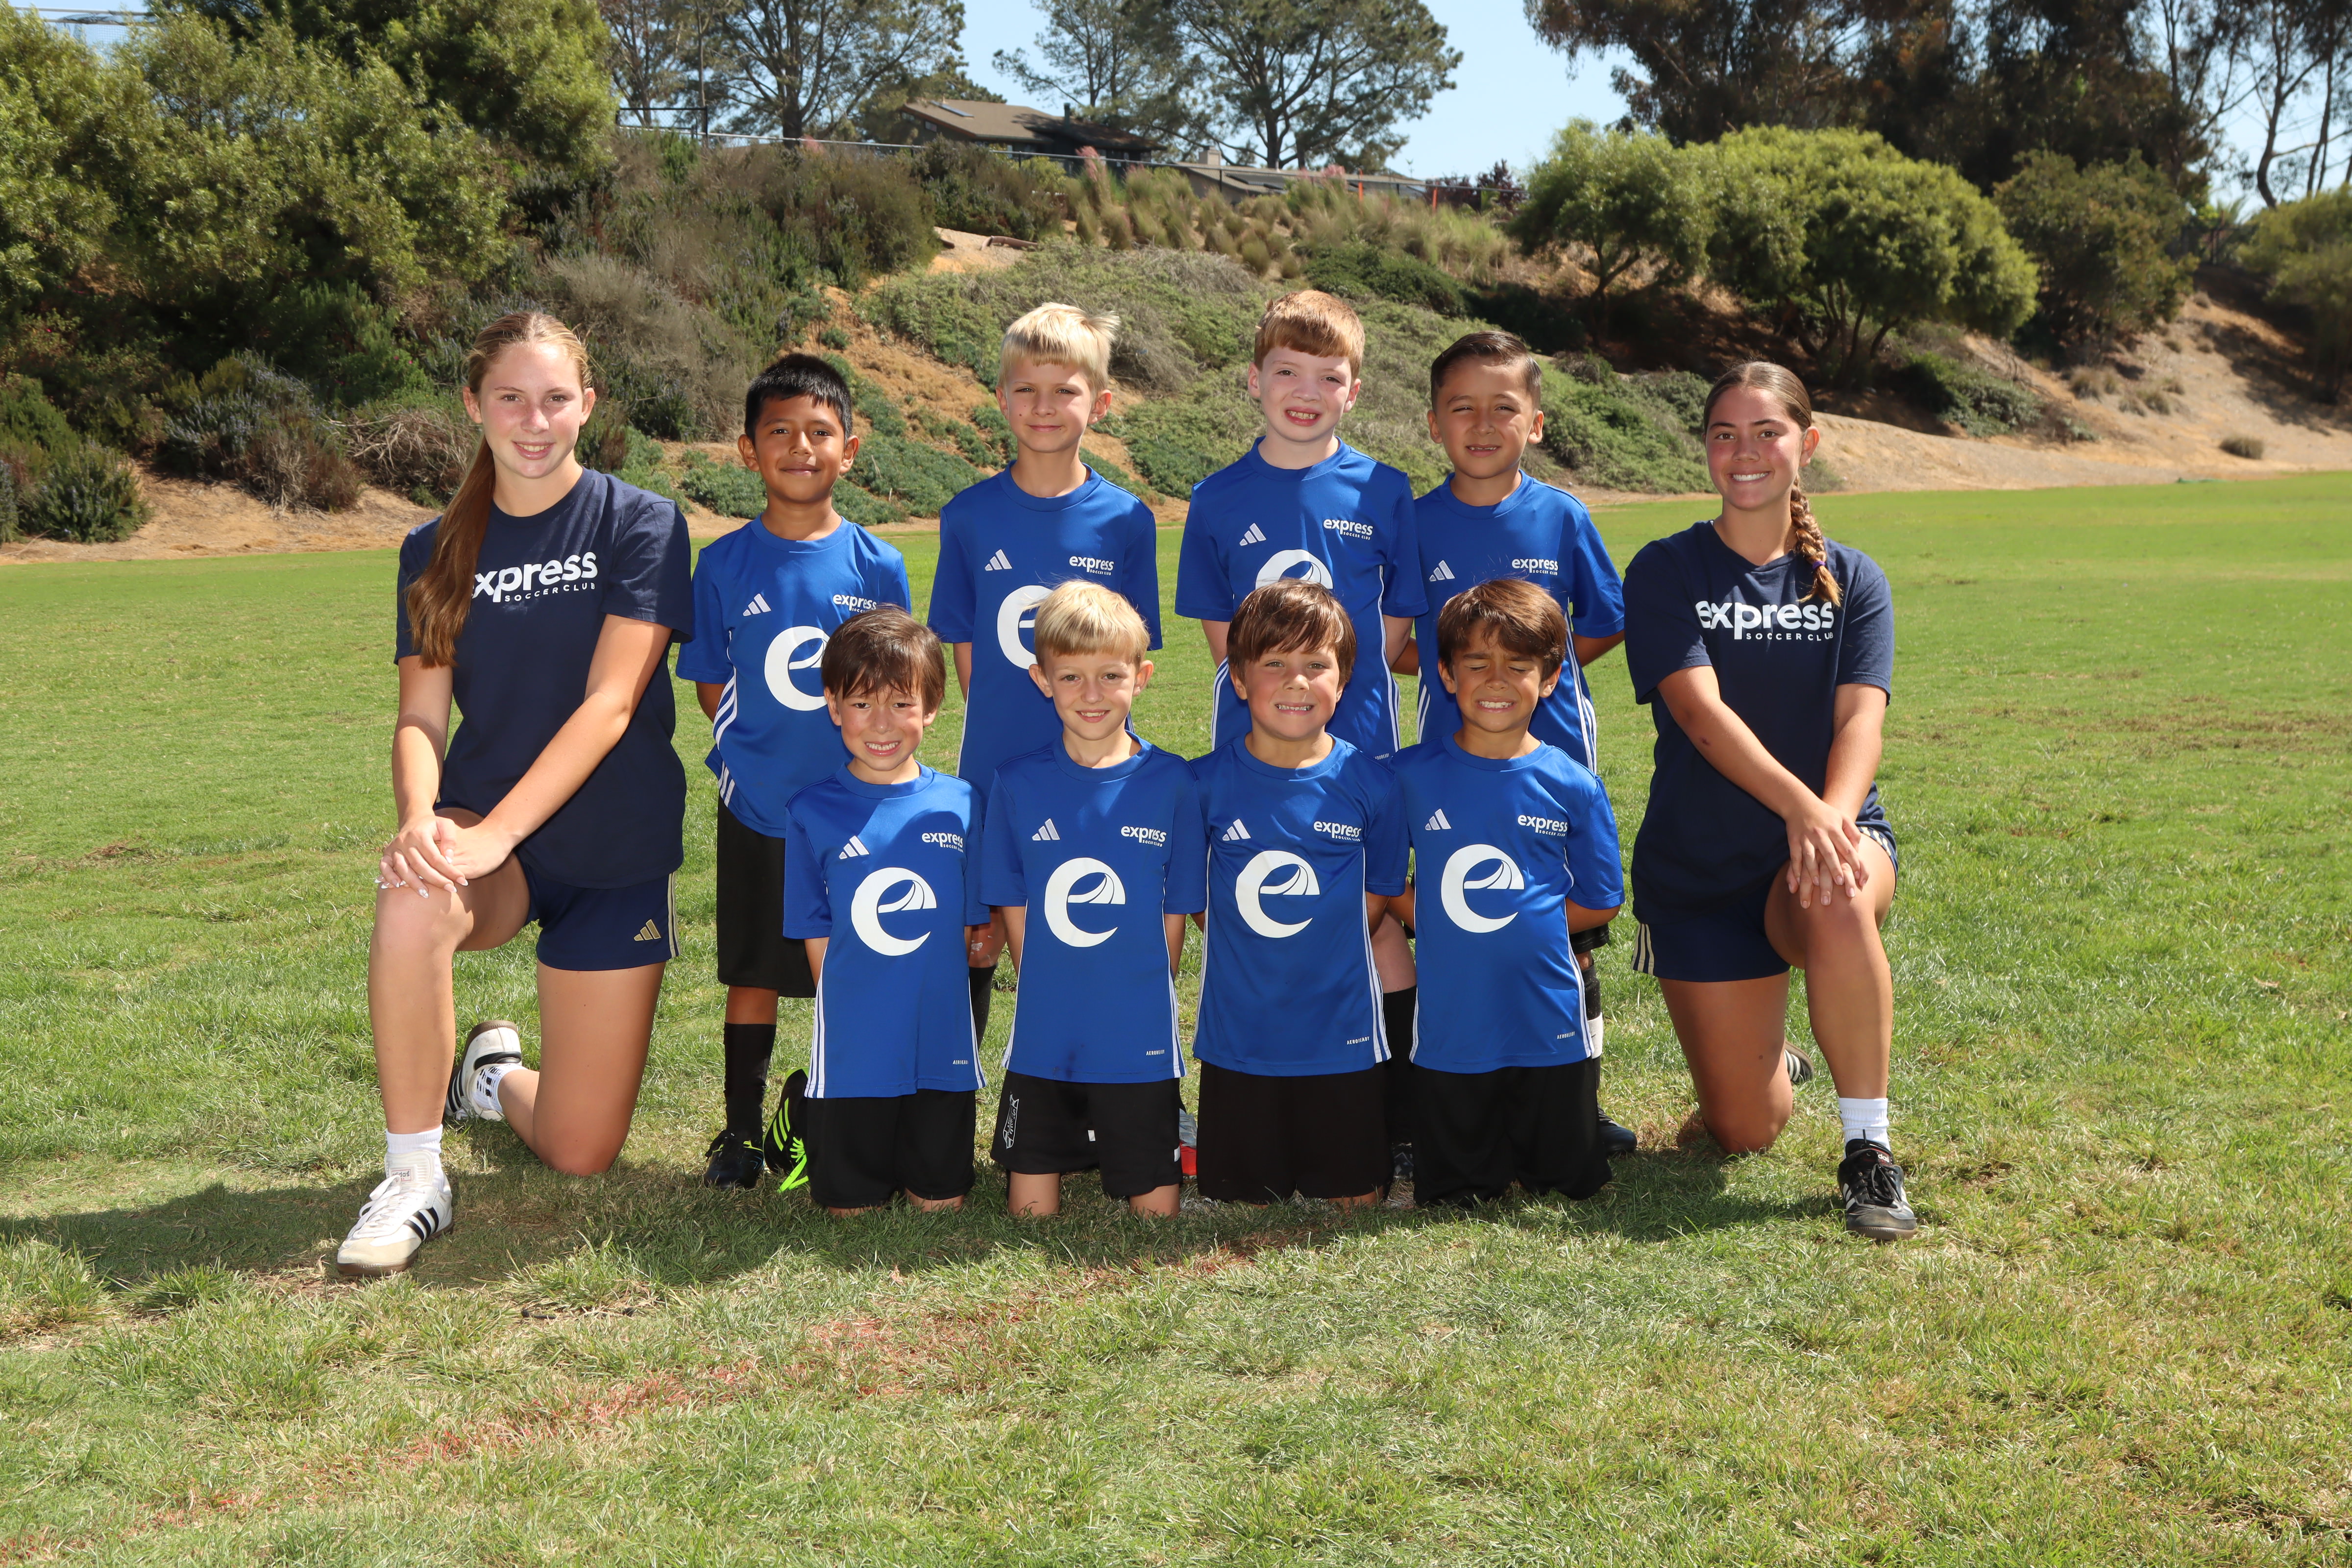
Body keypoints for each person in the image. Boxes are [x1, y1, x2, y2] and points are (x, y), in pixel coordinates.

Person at [338, 311, 693, 1277]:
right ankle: (415, 1176)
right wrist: (424, 821)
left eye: (554, 399)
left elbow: (611, 702)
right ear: (473, 405)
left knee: (581, 1151)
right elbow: (420, 717)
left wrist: (499, 831)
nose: (534, 421)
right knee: (414, 891)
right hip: (489, 839)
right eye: (510, 398)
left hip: (615, 848)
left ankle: (491, 1079)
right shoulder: (431, 548)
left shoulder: (642, 522)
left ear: (588, 405)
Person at [1620, 361, 1914, 1241]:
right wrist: (1800, 808)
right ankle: (1776, 1060)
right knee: (1745, 1130)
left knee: (1836, 887)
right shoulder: (1667, 568)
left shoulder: (1854, 578)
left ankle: (1869, 1151)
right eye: (1725, 434)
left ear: (1806, 445)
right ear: (1706, 448)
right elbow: (1700, 715)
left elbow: (1862, 718)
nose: (1744, 452)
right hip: (1701, 867)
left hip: (1829, 838)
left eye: (1767, 432)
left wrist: (1831, 819)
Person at [1172, 288, 1425, 1164]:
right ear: (1254, 380)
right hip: (1253, 754)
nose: (1306, 392)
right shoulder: (1216, 498)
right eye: (1287, 372)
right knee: (1258, 911)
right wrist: (1276, 707)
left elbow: (1390, 632)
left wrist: (1335, 701)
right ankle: (1254, 1096)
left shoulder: (1385, 490)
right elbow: (1229, 647)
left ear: (1356, 390)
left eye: (1329, 376)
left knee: (1375, 921)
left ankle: (1394, 1115)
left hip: (1358, 746)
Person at [676, 354, 912, 1192]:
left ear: (850, 449)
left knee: (852, 969)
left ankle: (832, 1113)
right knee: (754, 975)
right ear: (749, 450)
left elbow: (897, 684)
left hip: (854, 811)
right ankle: (741, 1135)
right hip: (761, 806)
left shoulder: (878, 565)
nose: (800, 447)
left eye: (819, 432)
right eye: (779, 431)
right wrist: (754, 761)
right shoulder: (723, 565)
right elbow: (711, 683)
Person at [1400, 329, 1636, 1165]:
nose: (1482, 424)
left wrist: (1535, 680)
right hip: (1450, 766)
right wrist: (1457, 678)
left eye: (1503, 408)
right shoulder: (1413, 522)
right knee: (1462, 919)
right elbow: (1398, 643)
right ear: (1434, 423)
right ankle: (1447, 1102)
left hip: (1553, 758)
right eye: (1461, 408)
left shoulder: (1562, 516)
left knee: (1566, 939)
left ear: (1535, 423)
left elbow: (1604, 621)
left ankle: (1578, 1102)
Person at [927, 303, 1161, 1047]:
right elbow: (967, 655)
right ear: (1001, 398)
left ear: (1101, 402)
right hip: (994, 768)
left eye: (1065, 390)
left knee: (1079, 921)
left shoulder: (1126, 520)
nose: (1044, 407)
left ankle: (1093, 1078)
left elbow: (1128, 651)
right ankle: (957, 1095)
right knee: (978, 939)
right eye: (1026, 390)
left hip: (1092, 767)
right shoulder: (969, 517)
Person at [1392, 579, 1623, 1208]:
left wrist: (1530, 922)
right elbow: (1382, 878)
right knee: (1455, 1189)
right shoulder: (1408, 776)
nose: (1496, 680)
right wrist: (1439, 918)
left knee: (1567, 1181)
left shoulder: (1574, 784)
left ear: (1549, 679)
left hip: (1548, 1015)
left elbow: (1602, 898)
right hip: (1451, 1024)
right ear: (1446, 674)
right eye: (1477, 664)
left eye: (1518, 666)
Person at [981, 582, 1205, 1217]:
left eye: (1111, 675)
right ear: (1042, 680)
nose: (1092, 694)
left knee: (1157, 1214)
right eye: (1071, 677)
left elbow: (1176, 906)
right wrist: (1043, 983)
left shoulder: (1172, 781)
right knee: (1030, 1212)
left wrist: (1147, 989)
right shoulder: (1017, 783)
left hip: (1138, 1028)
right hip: (1047, 1026)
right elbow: (1014, 899)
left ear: (1142, 677)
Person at [1189, 579, 1406, 1206]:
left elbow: (1379, 893)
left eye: (1316, 665)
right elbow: (1196, 897)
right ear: (1238, 679)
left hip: (1341, 1026)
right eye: (1275, 664)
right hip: (1239, 1031)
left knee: (1356, 1198)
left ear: (1344, 679)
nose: (1297, 682)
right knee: (1243, 1196)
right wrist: (1253, 938)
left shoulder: (1374, 785)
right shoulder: (1201, 785)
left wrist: (1321, 940)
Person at [780, 609, 990, 1216]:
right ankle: (809, 1110)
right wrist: (846, 1016)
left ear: (932, 707)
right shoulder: (811, 810)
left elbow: (972, 930)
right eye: (862, 703)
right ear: (833, 705)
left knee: (940, 1204)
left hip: (939, 1038)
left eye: (902, 704)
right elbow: (814, 928)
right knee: (852, 1209)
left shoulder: (961, 803)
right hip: (857, 1041)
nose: (881, 723)